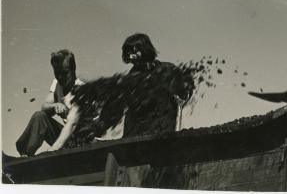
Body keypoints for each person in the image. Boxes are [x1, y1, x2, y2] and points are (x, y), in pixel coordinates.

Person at [48, 33, 194, 151]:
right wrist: (94, 129)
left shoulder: (167, 70)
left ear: (145, 49)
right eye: (129, 53)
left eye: (135, 51)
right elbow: (113, 111)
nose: (132, 56)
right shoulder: (129, 80)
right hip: (135, 136)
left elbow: (185, 89)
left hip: (161, 131)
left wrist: (185, 89)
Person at [15, 50, 84, 156]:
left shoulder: (80, 89)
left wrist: (54, 149)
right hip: (67, 138)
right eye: (57, 73)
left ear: (73, 69)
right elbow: (44, 107)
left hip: (83, 140)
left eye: (64, 73)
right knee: (39, 116)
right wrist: (55, 105)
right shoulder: (58, 83)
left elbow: (72, 124)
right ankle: (25, 154)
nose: (60, 77)